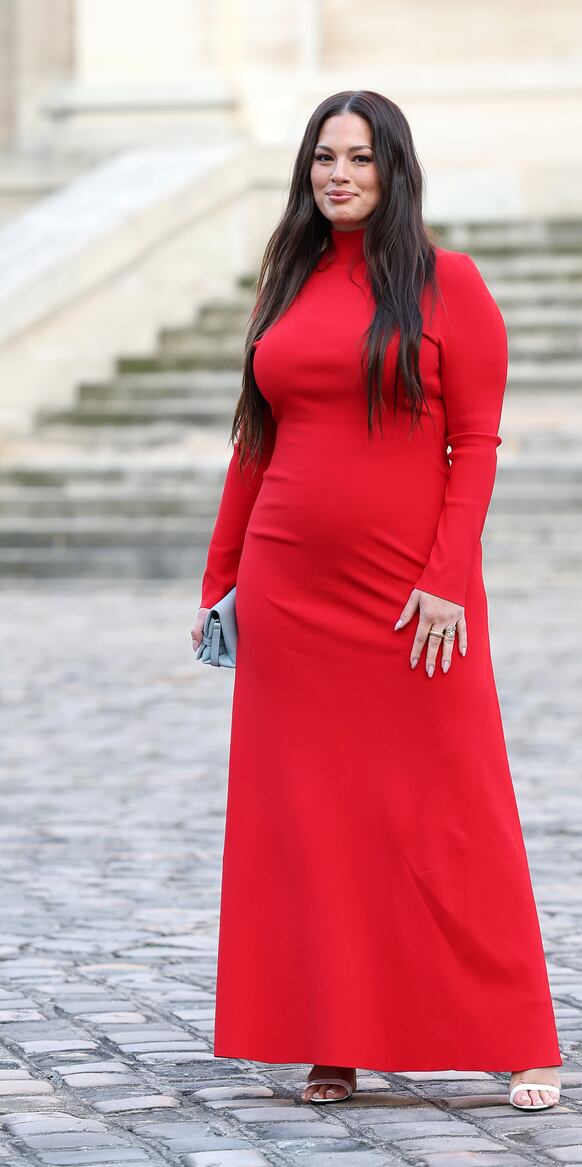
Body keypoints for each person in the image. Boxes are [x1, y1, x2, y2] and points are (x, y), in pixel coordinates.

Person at [190, 89, 562, 1112]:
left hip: (412, 603)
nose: (339, 174)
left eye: (359, 157)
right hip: (289, 599)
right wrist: (220, 577)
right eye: (323, 156)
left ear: (394, 170)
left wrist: (444, 580)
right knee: (310, 825)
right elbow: (253, 442)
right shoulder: (290, 281)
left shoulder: (449, 285)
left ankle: (521, 1036)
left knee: (453, 808)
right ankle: (330, 1041)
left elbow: (474, 443)